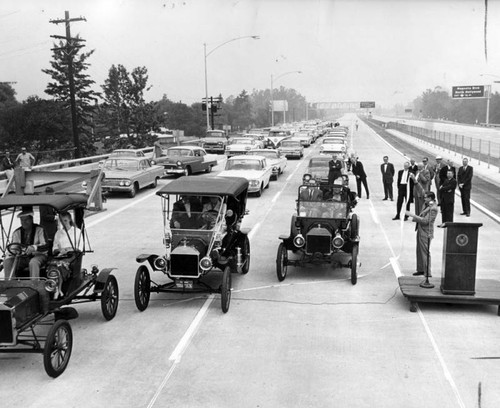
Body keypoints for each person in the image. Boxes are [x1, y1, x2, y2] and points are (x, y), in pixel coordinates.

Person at [3, 210, 48, 278]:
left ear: (31, 219)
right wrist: (12, 252)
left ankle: (34, 284)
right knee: (7, 262)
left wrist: (34, 247)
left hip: (38, 255)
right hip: (22, 258)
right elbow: (13, 247)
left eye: (26, 220)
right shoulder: (17, 232)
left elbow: (45, 245)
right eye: (22, 220)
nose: (24, 222)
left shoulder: (40, 229)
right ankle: (9, 285)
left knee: (33, 262)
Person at [406, 191, 438, 278]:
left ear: (430, 198)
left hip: (426, 232)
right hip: (421, 230)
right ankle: (421, 269)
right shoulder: (427, 204)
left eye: (426, 197)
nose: (424, 199)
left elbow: (426, 221)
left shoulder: (433, 208)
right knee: (420, 251)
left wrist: (413, 215)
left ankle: (428, 272)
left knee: (425, 252)